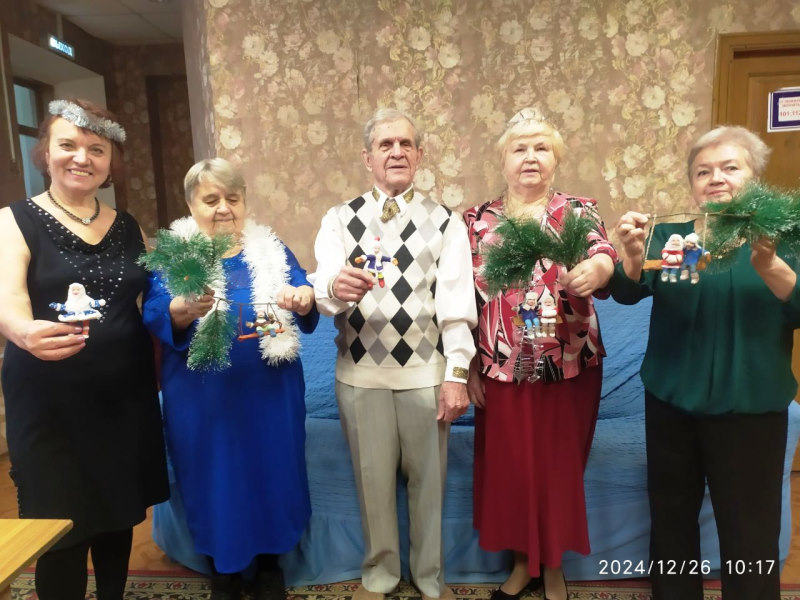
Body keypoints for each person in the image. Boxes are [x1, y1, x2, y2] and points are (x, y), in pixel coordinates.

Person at [612, 125, 796, 600]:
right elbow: (626, 292)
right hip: (670, 404)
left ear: (755, 177)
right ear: (692, 184)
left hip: (752, 407)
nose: (716, 178)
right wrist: (631, 257)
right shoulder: (668, 237)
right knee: (671, 522)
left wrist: (770, 265)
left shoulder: (787, 237)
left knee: (750, 532)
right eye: (703, 171)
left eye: (730, 167)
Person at [0, 98, 169, 599]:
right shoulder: (13, 220)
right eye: (68, 145)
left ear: (110, 162)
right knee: (60, 525)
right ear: (45, 152)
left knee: (118, 515)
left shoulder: (128, 226)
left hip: (124, 397)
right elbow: (7, 298)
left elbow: (160, 297)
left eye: (97, 149)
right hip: (49, 401)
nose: (82, 158)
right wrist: (23, 331)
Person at [309, 108, 477, 600]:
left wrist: (457, 374)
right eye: (385, 145)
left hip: (427, 375)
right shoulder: (339, 219)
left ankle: (430, 580)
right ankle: (379, 576)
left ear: (419, 155)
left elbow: (456, 304)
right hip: (360, 376)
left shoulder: (446, 221)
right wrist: (334, 288)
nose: (396, 152)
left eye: (405, 144)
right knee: (373, 485)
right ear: (368, 158)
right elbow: (322, 288)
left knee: (429, 486)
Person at [142, 158, 318, 600]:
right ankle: (223, 570)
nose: (224, 208)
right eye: (211, 199)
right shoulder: (175, 256)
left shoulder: (271, 248)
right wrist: (181, 310)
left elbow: (302, 289)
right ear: (191, 205)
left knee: (274, 472)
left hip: (272, 393)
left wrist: (303, 296)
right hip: (202, 399)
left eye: (232, 198)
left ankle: (270, 565)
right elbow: (155, 311)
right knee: (214, 480)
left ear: (244, 202)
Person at [464, 108, 617, 600]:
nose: (530, 157)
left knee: (556, 469)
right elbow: (461, 301)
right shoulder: (475, 221)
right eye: (519, 148)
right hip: (501, 365)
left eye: (541, 147)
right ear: (503, 160)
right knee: (513, 469)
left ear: (556, 159)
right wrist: (468, 368)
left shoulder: (578, 211)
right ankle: (522, 563)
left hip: (569, 363)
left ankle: (552, 567)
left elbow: (603, 253)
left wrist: (598, 268)